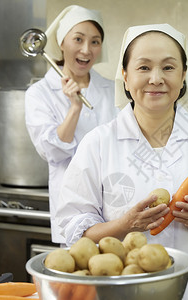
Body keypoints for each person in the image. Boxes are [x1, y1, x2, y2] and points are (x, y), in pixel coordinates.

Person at [56, 23, 188, 300]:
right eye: (143, 67)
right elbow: (76, 230)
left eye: (168, 68)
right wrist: (125, 225)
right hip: (120, 290)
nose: (156, 78)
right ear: (124, 75)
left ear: (183, 76)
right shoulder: (98, 144)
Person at [25, 5, 118, 245]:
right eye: (78, 39)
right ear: (61, 43)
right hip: (73, 206)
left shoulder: (114, 90)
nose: (87, 50)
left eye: (95, 42)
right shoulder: (40, 93)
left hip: (116, 203)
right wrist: (74, 108)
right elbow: (51, 151)